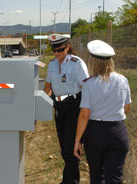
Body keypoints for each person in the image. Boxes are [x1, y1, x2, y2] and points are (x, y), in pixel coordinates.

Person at [74, 40, 131, 183]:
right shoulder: (122, 80)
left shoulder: (88, 84)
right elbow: (126, 107)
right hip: (118, 130)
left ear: (93, 62)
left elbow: (85, 114)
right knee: (115, 177)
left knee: (97, 175)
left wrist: (77, 140)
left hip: (95, 133)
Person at [44, 34, 89, 184]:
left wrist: (85, 110)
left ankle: (71, 181)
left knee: (71, 149)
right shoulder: (51, 64)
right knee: (64, 148)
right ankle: (69, 180)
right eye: (54, 50)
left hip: (74, 107)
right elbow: (48, 87)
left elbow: (86, 88)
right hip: (59, 107)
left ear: (68, 47)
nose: (57, 53)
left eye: (60, 49)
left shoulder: (77, 63)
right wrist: (43, 102)